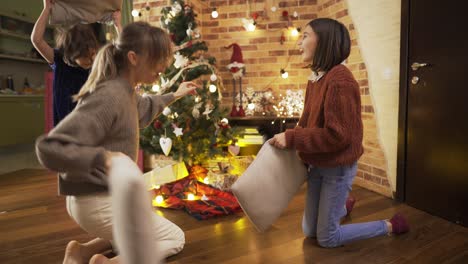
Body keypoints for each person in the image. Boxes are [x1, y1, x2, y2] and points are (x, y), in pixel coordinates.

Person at [36, 21, 199, 263]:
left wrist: (175, 93)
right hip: (96, 202)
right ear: (133, 58)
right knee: (174, 238)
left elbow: (143, 109)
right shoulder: (110, 95)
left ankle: (82, 251)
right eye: (157, 59)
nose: (163, 68)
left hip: (104, 198)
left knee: (138, 230)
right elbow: (51, 148)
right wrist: (103, 157)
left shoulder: (125, 90)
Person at [269, 18, 409, 248]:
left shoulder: (340, 81)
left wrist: (293, 138)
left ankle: (390, 225)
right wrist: (294, 138)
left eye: (305, 36)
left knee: (327, 238)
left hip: (337, 167)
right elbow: (306, 121)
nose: (299, 43)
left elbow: (338, 136)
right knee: (309, 231)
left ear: (323, 41)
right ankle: (342, 206)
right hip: (318, 164)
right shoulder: (316, 78)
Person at [31, 0, 102, 125]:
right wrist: (47, 9)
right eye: (85, 56)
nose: (91, 60)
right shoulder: (58, 60)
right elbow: (36, 39)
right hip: (64, 131)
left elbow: (121, 55)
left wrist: (118, 25)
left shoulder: (94, 66)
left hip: (88, 128)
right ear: (72, 53)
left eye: (92, 54)